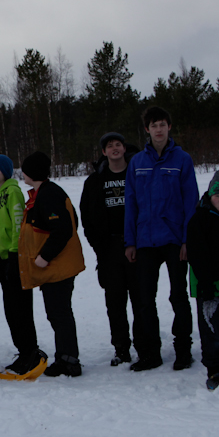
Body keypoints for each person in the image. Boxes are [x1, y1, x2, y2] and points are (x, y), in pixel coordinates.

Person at [124, 106, 198, 371]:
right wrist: (130, 241)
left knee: (178, 296)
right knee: (145, 299)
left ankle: (183, 350)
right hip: (145, 240)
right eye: (154, 125)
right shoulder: (137, 162)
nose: (158, 129)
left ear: (169, 127)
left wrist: (187, 240)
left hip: (174, 239)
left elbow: (191, 202)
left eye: (162, 124)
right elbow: (131, 204)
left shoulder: (182, 160)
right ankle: (151, 353)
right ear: (147, 129)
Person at [19, 151, 85, 377]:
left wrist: (45, 256)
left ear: (31, 172)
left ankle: (69, 361)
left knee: (59, 313)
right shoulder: (43, 193)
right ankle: (65, 357)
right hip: (55, 267)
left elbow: (63, 228)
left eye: (25, 170)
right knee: (57, 313)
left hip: (58, 267)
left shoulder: (49, 194)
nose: (22, 174)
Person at [80, 133, 140, 366]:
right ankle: (121, 348)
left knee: (142, 300)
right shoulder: (95, 181)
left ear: (124, 148)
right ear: (104, 152)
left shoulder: (137, 174)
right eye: (109, 146)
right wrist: (99, 246)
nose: (114, 148)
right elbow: (87, 217)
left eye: (118, 145)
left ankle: (145, 346)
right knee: (115, 302)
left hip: (136, 245)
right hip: (108, 249)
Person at [0, 154, 43, 374]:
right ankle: (22, 351)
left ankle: (30, 351)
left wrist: (13, 253)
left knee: (21, 308)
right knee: (10, 309)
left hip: (15, 257)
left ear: (7, 171)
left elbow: (18, 224)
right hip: (0, 257)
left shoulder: (13, 192)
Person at [187, 170, 219, 389]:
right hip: (208, 286)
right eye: (218, 195)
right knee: (212, 330)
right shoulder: (200, 219)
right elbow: (197, 255)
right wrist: (206, 284)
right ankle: (214, 370)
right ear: (210, 195)